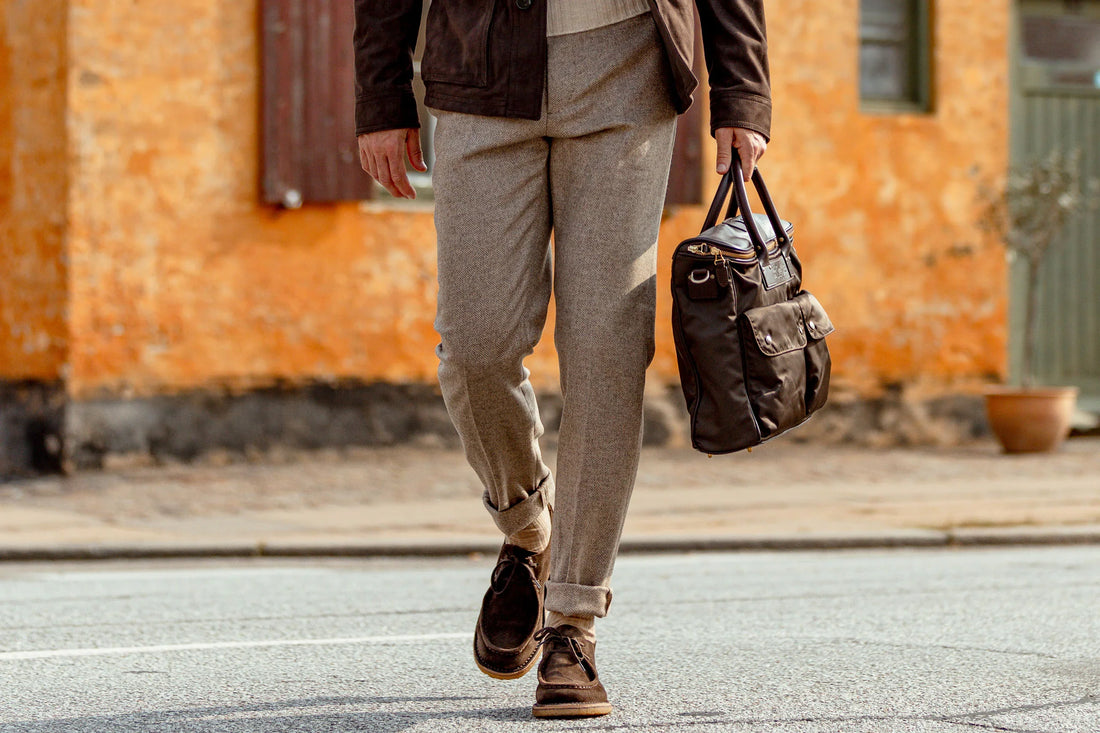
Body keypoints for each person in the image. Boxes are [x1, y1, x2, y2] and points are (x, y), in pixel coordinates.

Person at [354, 0, 770, 719]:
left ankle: (573, 624)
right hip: (479, 71)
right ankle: (526, 529)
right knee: (476, 345)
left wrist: (744, 92)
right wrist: (379, 96)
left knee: (609, 348)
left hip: (627, 69)